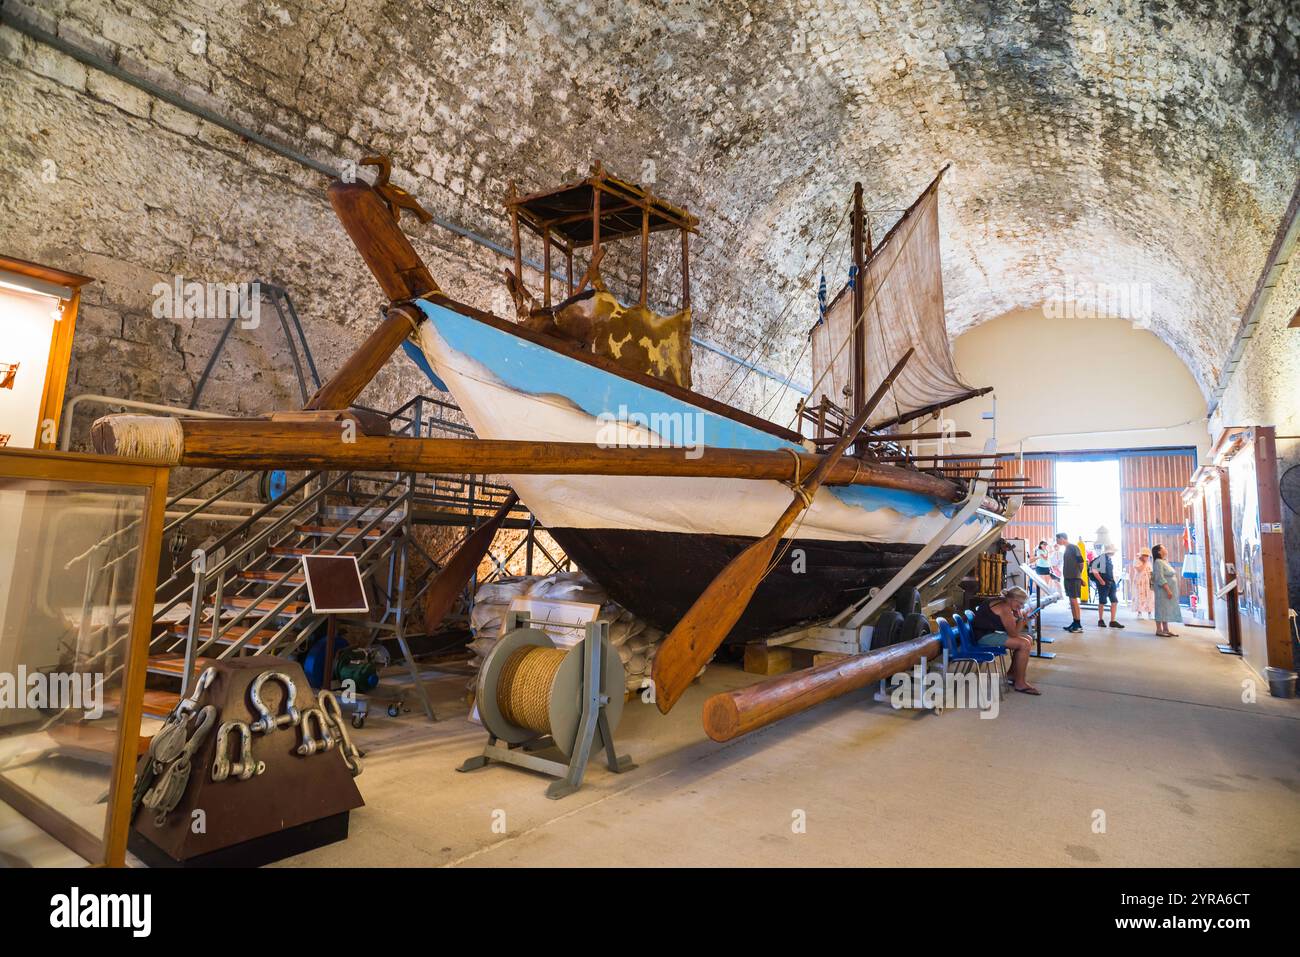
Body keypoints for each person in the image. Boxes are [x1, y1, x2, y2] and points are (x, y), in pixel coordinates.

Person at [969, 585, 1040, 695]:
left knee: (1028, 638)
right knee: (1024, 644)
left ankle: (1012, 674)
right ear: (1013, 599)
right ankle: (1020, 683)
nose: (1020, 607)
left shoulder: (1001, 601)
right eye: (1020, 604)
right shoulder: (1004, 608)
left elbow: (1012, 631)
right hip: (983, 637)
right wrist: (1022, 619)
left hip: (983, 633)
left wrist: (1024, 619)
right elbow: (1013, 634)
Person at [1151, 543, 1183, 637]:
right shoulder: (1158, 562)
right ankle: (1159, 630)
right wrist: (1168, 590)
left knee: (1166, 609)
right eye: (1164, 548)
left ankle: (1166, 629)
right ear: (1159, 551)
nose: (1166, 549)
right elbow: (1159, 577)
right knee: (1161, 608)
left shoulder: (1163, 561)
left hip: (1167, 589)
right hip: (1162, 590)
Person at [1089, 543, 1124, 628]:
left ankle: (1112, 621)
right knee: (1102, 601)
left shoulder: (1108, 559)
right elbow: (1094, 570)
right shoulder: (1102, 558)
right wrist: (1101, 581)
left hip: (1110, 582)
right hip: (1103, 584)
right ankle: (1100, 620)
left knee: (1114, 601)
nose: (1114, 552)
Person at [1057, 532, 1084, 632]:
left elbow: (1081, 562)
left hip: (1074, 578)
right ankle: (1074, 622)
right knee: (1071, 601)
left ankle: (1078, 625)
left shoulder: (1073, 547)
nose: (1057, 542)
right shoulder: (1066, 549)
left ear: (1063, 538)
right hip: (1068, 577)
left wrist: (1079, 575)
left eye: (1057, 539)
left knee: (1074, 601)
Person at [1130, 548, 1155, 619]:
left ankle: (1150, 613)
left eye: (1147, 555)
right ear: (1142, 555)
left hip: (1148, 581)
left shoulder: (1149, 562)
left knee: (1150, 597)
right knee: (1139, 596)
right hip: (1140, 581)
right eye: (1145, 555)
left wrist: (1153, 582)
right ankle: (1139, 613)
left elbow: (1151, 572)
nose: (1146, 557)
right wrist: (1144, 562)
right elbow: (1139, 570)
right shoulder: (1137, 561)